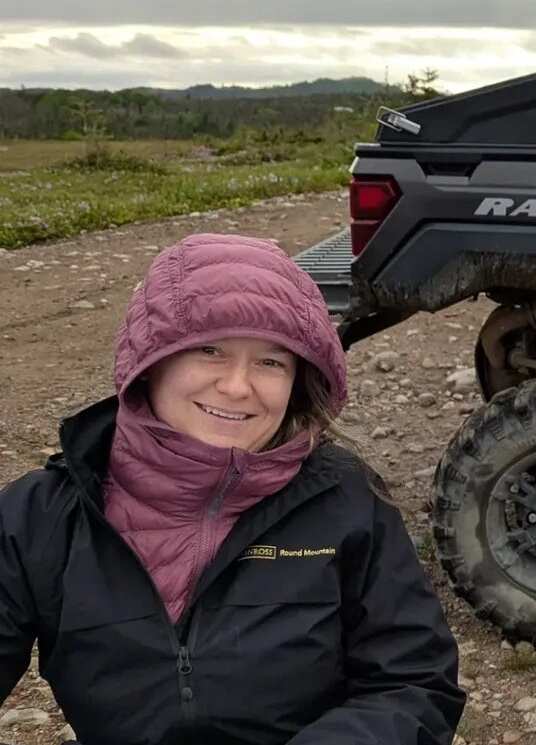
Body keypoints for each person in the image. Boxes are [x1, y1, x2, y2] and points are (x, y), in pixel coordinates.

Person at [0, 233, 466, 745]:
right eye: (209, 349)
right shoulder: (39, 518)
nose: (238, 386)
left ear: (298, 382)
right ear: (150, 360)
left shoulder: (347, 502)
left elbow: (414, 683)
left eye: (271, 361)